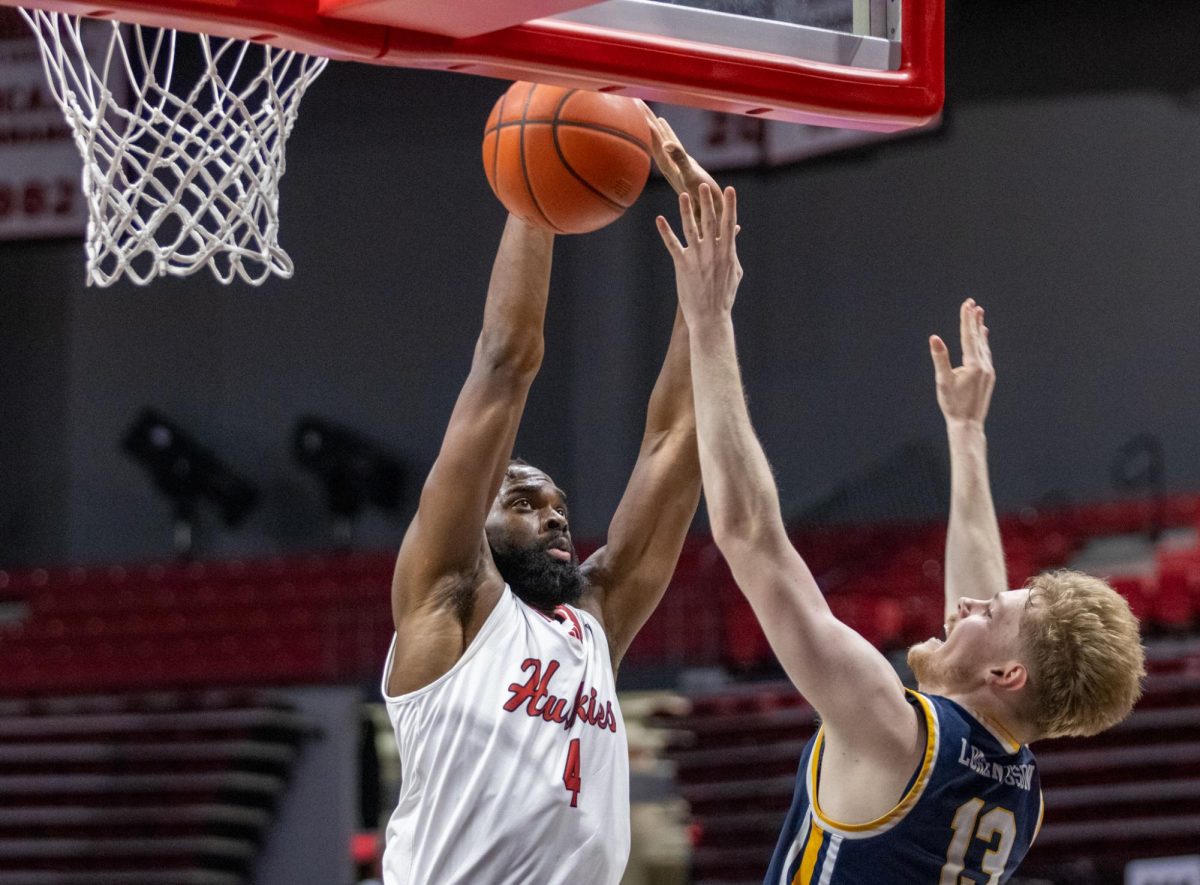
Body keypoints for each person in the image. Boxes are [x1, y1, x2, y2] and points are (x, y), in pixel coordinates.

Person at [653, 186, 1146, 883]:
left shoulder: (890, 730)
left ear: (1007, 675)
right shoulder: (1021, 792)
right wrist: (966, 432)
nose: (969, 604)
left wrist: (708, 319)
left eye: (989, 612)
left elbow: (749, 535)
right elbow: (982, 603)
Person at [380, 107, 720, 885]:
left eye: (559, 501)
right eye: (526, 500)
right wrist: (532, 193)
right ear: (479, 522)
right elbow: (505, 364)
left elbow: (677, 443)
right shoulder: (447, 601)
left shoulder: (593, 622)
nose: (556, 511)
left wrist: (709, 289)